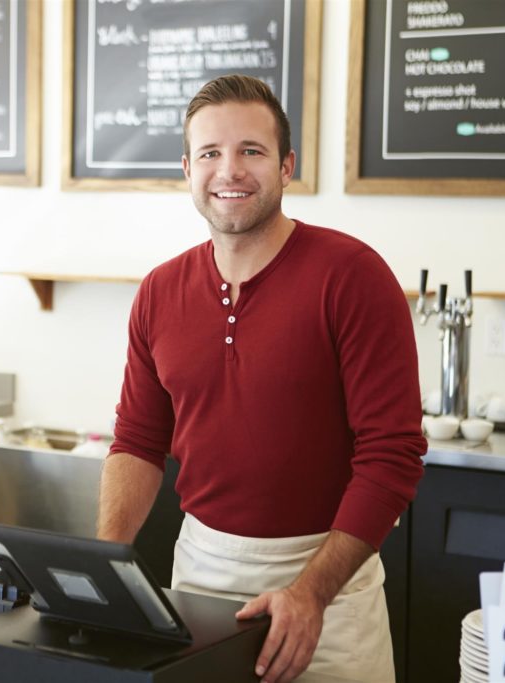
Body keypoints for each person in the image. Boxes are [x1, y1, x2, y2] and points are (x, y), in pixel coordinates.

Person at [97, 74, 427, 683]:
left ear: (286, 166)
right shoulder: (160, 291)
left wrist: (310, 593)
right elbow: (139, 442)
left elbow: (393, 455)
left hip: (329, 592)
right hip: (198, 581)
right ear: (187, 169)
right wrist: (105, 561)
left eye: (252, 150)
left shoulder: (353, 277)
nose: (231, 170)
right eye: (210, 153)